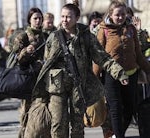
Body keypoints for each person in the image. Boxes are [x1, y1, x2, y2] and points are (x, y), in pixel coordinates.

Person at [24, 1, 129, 138]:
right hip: (57, 86)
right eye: (62, 17)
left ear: (76, 18)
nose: (64, 20)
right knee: (58, 123)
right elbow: (47, 63)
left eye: (68, 17)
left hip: (78, 85)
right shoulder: (54, 37)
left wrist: (120, 73)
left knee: (77, 124)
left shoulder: (86, 37)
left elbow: (103, 58)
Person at [94, 1, 150, 137]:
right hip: (111, 77)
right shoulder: (104, 30)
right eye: (117, 14)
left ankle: (116, 134)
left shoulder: (131, 29)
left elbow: (138, 53)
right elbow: (98, 56)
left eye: (123, 14)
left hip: (131, 75)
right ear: (111, 15)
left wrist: (148, 70)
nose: (120, 17)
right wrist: (94, 77)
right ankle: (119, 136)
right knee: (116, 109)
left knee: (130, 109)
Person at [10, 7, 48, 138]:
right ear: (29, 20)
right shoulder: (23, 36)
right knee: (26, 115)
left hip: (43, 79)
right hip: (28, 80)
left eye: (40, 18)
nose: (38, 21)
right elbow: (16, 59)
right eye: (35, 18)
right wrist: (26, 51)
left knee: (44, 114)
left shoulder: (46, 36)